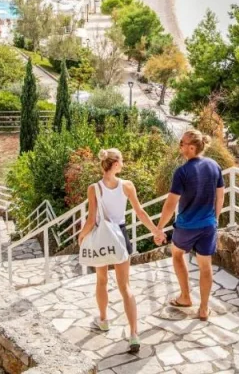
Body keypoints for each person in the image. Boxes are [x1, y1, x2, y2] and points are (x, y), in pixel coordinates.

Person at [77, 148, 164, 353]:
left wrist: (82, 236)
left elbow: (91, 219)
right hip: (120, 236)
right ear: (115, 164)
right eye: (122, 161)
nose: (123, 164)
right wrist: (155, 231)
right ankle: (134, 334)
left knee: (102, 280)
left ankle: (104, 320)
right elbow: (140, 212)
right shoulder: (127, 185)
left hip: (102, 237)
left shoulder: (94, 188)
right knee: (125, 286)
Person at [156, 129, 224, 321]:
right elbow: (221, 196)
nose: (180, 146)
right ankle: (203, 308)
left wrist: (160, 227)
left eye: (182, 143)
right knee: (205, 265)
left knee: (177, 254)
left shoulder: (182, 172)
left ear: (192, 148)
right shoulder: (214, 166)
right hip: (208, 225)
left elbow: (170, 204)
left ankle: (185, 297)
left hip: (187, 226)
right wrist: (214, 218)